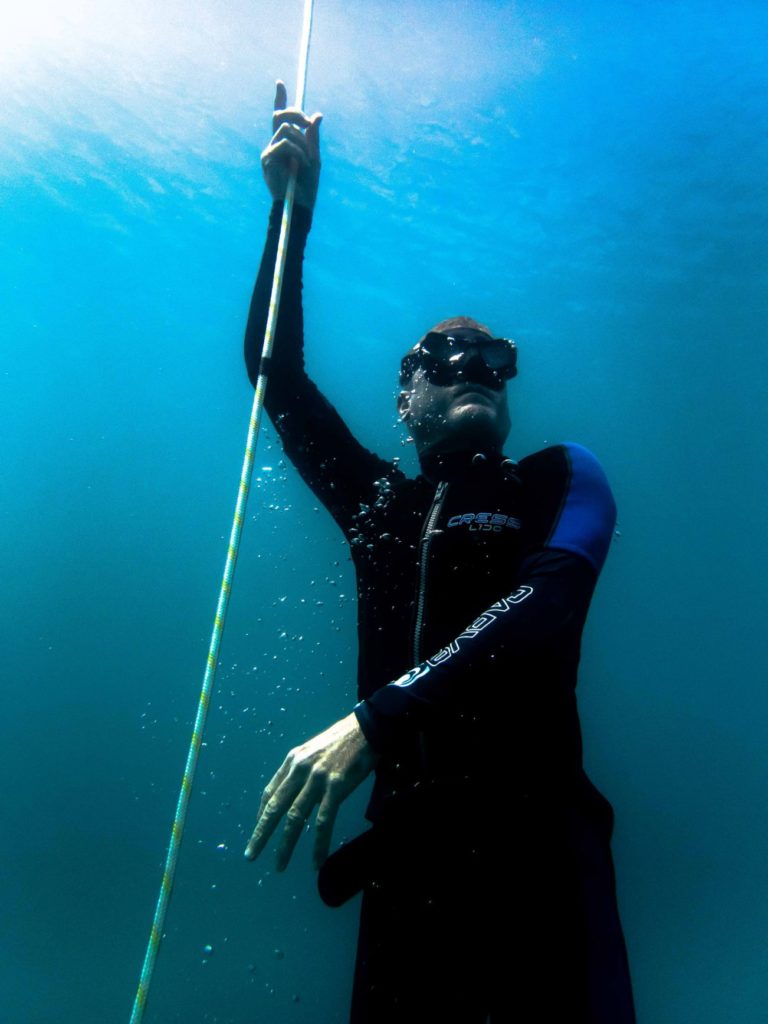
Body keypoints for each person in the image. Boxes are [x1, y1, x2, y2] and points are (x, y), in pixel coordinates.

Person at [243, 81, 636, 1024]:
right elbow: (276, 375)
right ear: (402, 401)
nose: (475, 370)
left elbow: (547, 605)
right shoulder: (379, 500)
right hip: (407, 857)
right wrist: (293, 217)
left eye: (493, 359)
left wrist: (376, 719)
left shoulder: (555, 477)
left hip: (537, 844)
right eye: (442, 358)